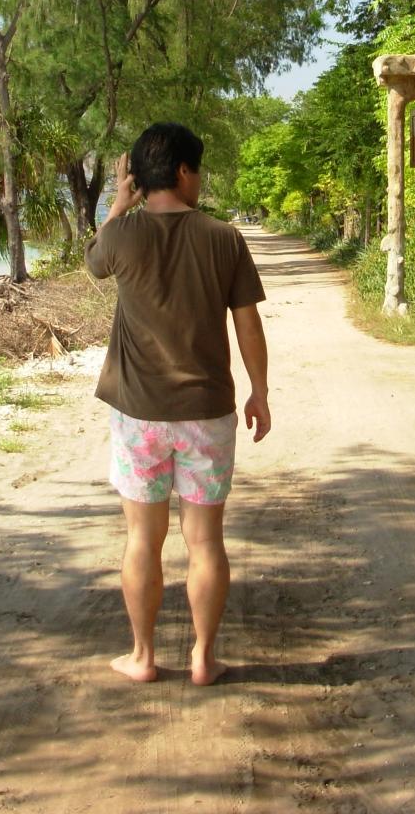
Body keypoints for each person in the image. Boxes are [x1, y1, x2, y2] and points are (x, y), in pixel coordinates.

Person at [84, 122, 271, 686]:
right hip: (207, 413)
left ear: (142, 177)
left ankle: (142, 656)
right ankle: (203, 658)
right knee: (205, 540)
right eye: (199, 170)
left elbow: (94, 261)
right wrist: (260, 391)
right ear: (185, 172)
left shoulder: (121, 236)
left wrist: (119, 203)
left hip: (138, 414)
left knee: (143, 538)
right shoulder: (223, 237)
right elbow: (247, 322)